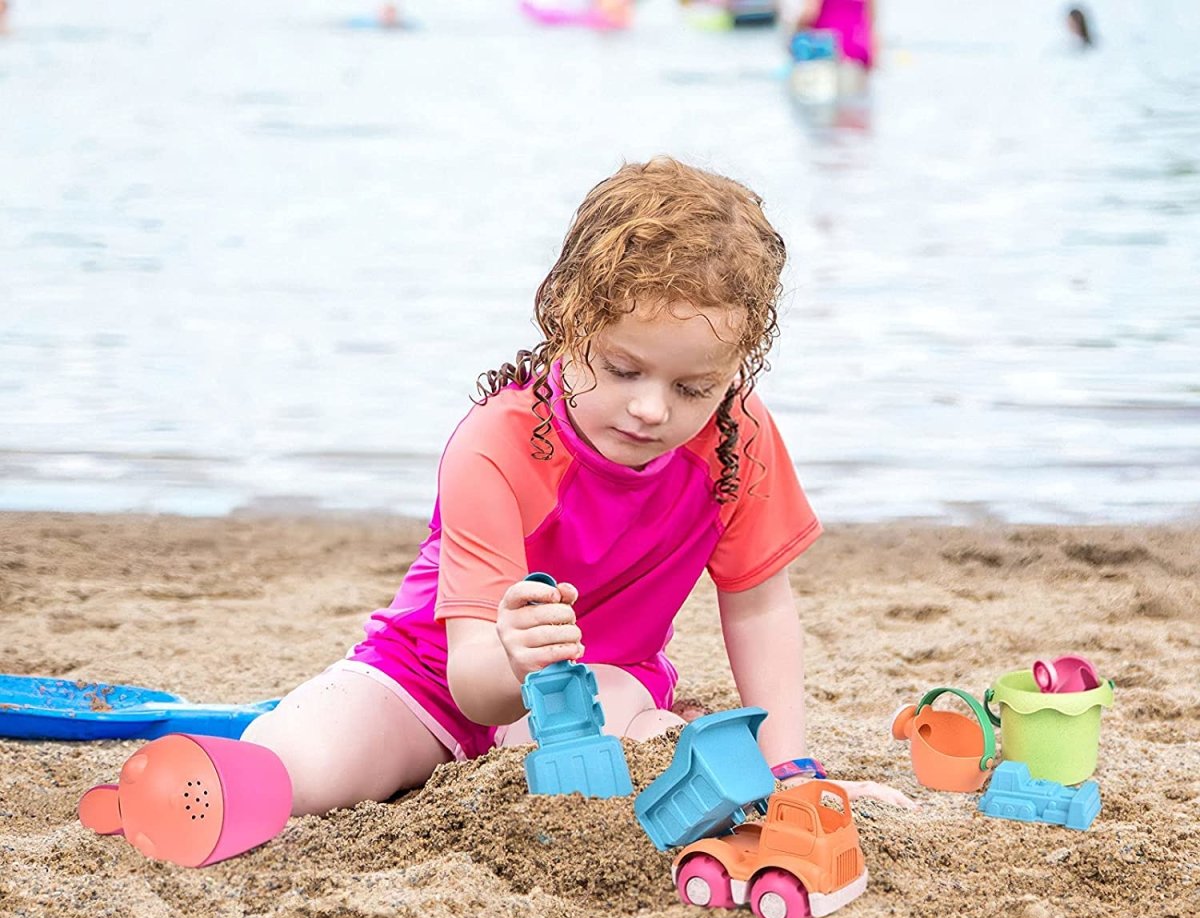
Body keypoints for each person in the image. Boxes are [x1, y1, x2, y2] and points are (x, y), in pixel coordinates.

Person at [243, 157, 912, 816]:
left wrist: (789, 772)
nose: (652, 409)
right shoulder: (498, 443)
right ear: (567, 322)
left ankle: (662, 738)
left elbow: (759, 607)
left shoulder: (738, 437)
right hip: (429, 680)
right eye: (624, 370)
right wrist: (512, 657)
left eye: (693, 388)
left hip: (598, 688)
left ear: (738, 366)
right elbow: (474, 687)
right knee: (289, 770)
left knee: (641, 750)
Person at [788, 0, 875, 71]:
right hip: (859, 51)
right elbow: (871, 21)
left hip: (829, 49)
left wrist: (794, 31)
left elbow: (810, 13)